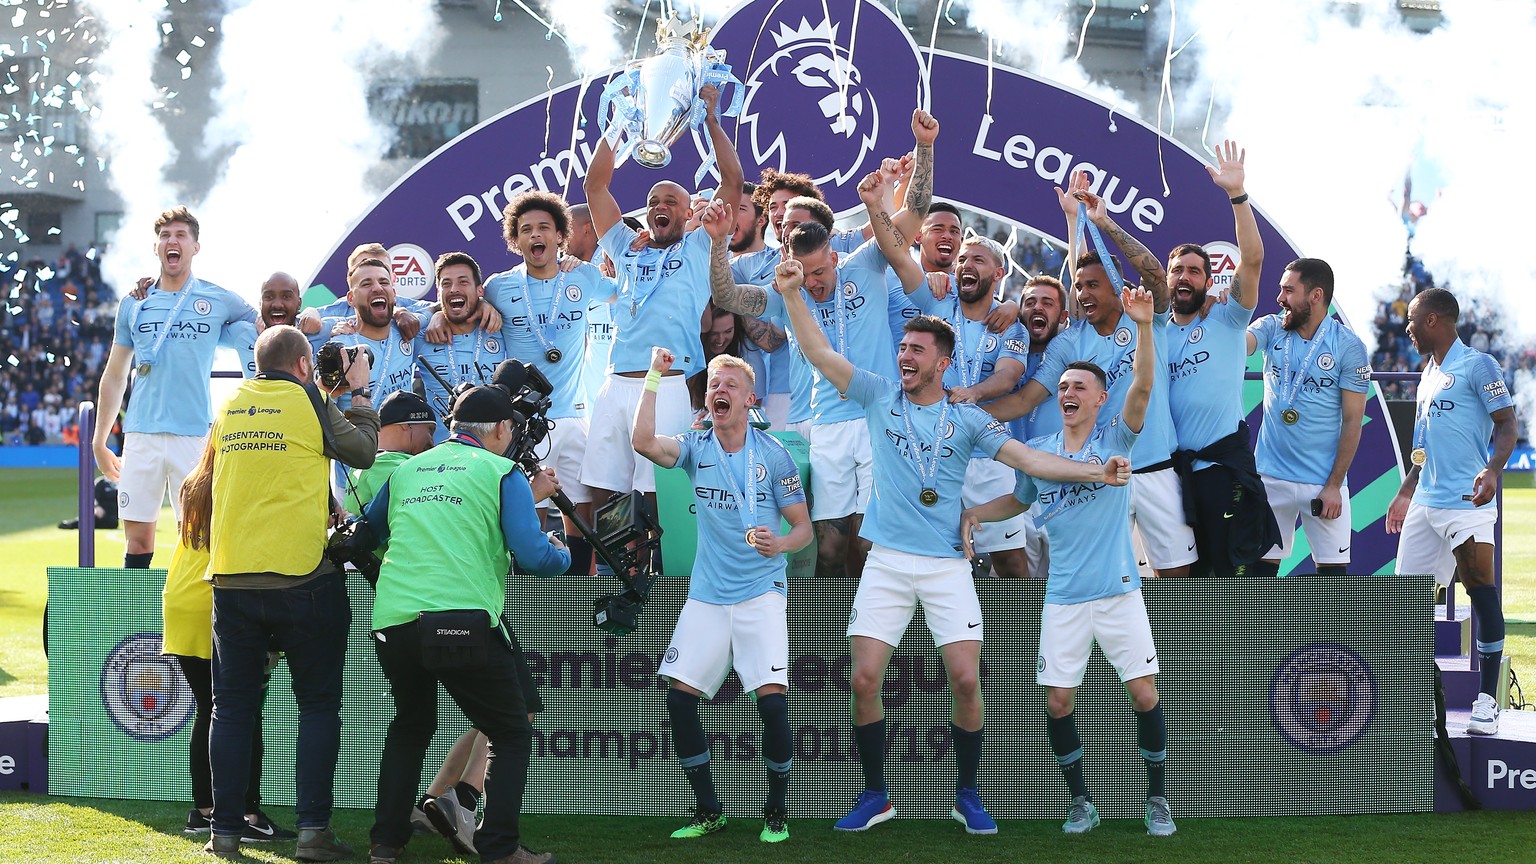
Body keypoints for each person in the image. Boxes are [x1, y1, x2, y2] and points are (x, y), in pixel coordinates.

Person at [773, 258, 1131, 835]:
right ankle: (876, 795)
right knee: (864, 680)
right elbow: (819, 355)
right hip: (886, 561)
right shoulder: (876, 394)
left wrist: (1095, 472)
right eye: (903, 348)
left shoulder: (967, 419)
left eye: (917, 351)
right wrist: (792, 296)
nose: (904, 358)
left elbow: (1028, 461)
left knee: (966, 681)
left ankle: (967, 794)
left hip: (946, 565)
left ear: (942, 363)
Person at [962, 287, 1176, 837]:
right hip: (1062, 597)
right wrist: (973, 515)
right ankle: (1080, 801)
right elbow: (1021, 499)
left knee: (1144, 694)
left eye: (1079, 386)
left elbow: (1145, 385)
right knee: (1059, 701)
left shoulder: (1114, 438)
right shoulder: (1042, 451)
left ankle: (1157, 800)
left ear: (1101, 398)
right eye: (1061, 387)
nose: (1068, 392)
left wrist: (1145, 327)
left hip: (1119, 589)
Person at [357, 378, 570, 864]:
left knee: (410, 725)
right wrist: (562, 553)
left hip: (392, 622)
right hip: (461, 621)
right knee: (511, 732)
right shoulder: (501, 471)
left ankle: (385, 844)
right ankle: (499, 848)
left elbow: (365, 533)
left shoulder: (409, 470)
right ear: (499, 428)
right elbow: (533, 555)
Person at [203, 325, 379, 860]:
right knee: (318, 706)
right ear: (305, 366)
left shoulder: (231, 402)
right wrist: (358, 394)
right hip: (303, 579)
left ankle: (225, 833)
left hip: (232, 579)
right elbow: (365, 452)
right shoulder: (310, 402)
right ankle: (312, 833)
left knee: (230, 709)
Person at [705, 170, 924, 580]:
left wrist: (924, 146)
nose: (815, 283)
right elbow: (726, 296)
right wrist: (719, 243)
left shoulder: (866, 264)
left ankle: (869, 626)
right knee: (830, 545)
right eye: (806, 275)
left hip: (879, 417)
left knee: (868, 537)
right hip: (827, 424)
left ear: (835, 257)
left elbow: (916, 213)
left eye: (821, 272)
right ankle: (826, 631)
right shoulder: (789, 291)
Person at [633, 348, 812, 842]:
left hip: (761, 592)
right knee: (679, 700)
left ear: (751, 398)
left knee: (772, 705)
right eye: (714, 384)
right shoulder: (695, 446)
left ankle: (776, 810)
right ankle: (708, 808)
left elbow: (804, 529)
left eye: (731, 385)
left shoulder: (773, 455)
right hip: (708, 595)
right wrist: (652, 374)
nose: (720, 391)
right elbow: (642, 440)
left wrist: (779, 543)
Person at [985, 171, 1194, 578]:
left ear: (1116, 288)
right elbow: (1027, 398)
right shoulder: (1070, 342)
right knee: (1098, 577)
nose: (1082, 294)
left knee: (1176, 582)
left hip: (1154, 468)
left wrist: (1102, 222)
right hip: (1100, 472)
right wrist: (968, 412)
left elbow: (1153, 274)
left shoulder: (1147, 316)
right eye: (1078, 287)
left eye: (1092, 285)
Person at [580, 83, 743, 513]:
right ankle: (612, 580)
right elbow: (594, 187)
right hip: (615, 384)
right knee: (603, 494)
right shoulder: (623, 244)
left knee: (659, 498)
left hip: (669, 384)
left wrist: (711, 118)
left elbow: (734, 181)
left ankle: (663, 580)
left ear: (689, 212)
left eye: (672, 200)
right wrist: (619, 125)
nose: (660, 205)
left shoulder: (696, 247)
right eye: (653, 200)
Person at [92, 206, 257, 568]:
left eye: (181, 235)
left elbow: (257, 325)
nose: (173, 241)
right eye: (166, 236)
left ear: (196, 247)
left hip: (194, 435)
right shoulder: (134, 303)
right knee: (137, 544)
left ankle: (197, 626)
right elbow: (116, 373)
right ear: (156, 247)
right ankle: (137, 622)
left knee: (198, 538)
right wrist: (99, 439)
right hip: (141, 434)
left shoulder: (216, 298)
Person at [1387, 287, 1517, 735]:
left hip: (1467, 502)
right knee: (1406, 607)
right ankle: (1418, 696)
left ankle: (1487, 701)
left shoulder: (1478, 365)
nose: (1406, 327)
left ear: (1433, 321)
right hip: (1426, 503)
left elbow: (1507, 423)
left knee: (1480, 586)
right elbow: (1422, 445)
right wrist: (1406, 490)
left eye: (1412, 319)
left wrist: (1494, 471)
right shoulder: (1427, 371)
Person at [161, 442, 293, 844]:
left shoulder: (194, 482)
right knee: (241, 714)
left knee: (212, 711)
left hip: (183, 597)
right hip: (215, 598)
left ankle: (204, 811)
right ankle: (247, 814)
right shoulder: (240, 480)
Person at [1162, 141, 1279, 577]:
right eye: (1178, 270)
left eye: (1195, 271)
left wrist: (1238, 196)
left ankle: (1237, 647)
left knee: (1227, 575)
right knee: (1178, 578)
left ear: (1210, 280)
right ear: (1167, 278)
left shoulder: (1229, 318)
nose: (1186, 277)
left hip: (1220, 471)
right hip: (1171, 474)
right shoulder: (1155, 333)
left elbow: (1253, 258)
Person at [481, 191, 609, 574]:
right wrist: (477, 308)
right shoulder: (497, 287)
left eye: (543, 228)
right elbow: (454, 309)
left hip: (572, 416)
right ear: (515, 240)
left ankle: (577, 597)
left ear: (559, 236)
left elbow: (626, 292)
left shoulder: (582, 277)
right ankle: (526, 601)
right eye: (526, 230)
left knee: (581, 514)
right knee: (526, 514)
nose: (535, 236)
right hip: (521, 422)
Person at [904, 236, 1032, 578]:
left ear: (999, 273)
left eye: (978, 260)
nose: (966, 266)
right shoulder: (938, 305)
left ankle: (1018, 633)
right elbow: (898, 258)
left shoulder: (1012, 325)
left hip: (988, 457)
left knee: (1010, 562)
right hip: (934, 453)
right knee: (931, 559)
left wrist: (973, 393)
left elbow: (1008, 376)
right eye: (962, 259)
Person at [1246, 258, 1370, 574]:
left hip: (1323, 483)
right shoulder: (1272, 327)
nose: (1280, 298)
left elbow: (1353, 421)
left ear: (1315, 296)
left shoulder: (1348, 346)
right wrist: (1225, 319)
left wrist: (1334, 485)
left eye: (1289, 290)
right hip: (1271, 476)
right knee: (1257, 580)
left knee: (1332, 583)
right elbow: (1240, 344)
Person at [414, 252, 506, 443]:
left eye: (463, 282)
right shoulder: (422, 336)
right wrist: (435, 313)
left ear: (480, 290)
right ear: (438, 293)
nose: (454, 289)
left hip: (494, 457)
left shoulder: (502, 329)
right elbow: (393, 313)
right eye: (446, 284)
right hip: (441, 457)